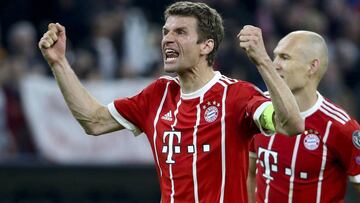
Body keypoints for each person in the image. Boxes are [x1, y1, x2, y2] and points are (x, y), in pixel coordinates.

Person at [38, 1, 304, 202]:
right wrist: (59, 62)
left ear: (206, 46)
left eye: (180, 32)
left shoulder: (236, 95)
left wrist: (262, 60)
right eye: (166, 32)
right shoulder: (157, 94)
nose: (167, 39)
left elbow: (292, 124)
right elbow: (93, 121)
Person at [247, 31, 360, 203]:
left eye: (285, 57)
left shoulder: (340, 127)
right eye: (275, 56)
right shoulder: (258, 109)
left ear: (312, 66)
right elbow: (249, 173)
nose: (275, 64)